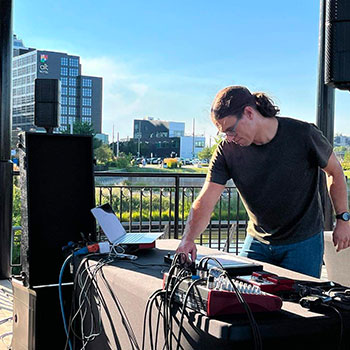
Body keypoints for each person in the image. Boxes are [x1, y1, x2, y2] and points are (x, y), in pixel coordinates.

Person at [176, 85, 350, 278]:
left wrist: (343, 219)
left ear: (249, 113)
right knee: (239, 293)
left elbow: (335, 172)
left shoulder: (303, 134)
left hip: (303, 242)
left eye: (231, 130)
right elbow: (206, 199)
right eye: (224, 133)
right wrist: (187, 240)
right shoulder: (227, 151)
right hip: (257, 240)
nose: (229, 138)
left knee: (298, 303)